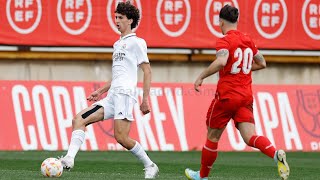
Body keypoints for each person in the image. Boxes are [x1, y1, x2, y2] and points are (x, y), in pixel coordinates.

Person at [184, 4, 289, 180]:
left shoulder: (224, 40)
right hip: (246, 96)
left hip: (227, 95)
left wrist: (201, 76)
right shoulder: (248, 40)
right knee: (250, 137)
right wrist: (243, 70)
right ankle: (275, 153)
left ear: (220, 22)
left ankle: (202, 176)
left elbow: (221, 61)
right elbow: (262, 63)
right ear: (237, 20)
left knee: (212, 136)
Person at [59, 2, 159, 179]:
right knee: (78, 120)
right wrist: (101, 91)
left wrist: (145, 99)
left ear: (130, 20)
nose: (117, 21)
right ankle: (69, 159)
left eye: (120, 18)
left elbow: (147, 70)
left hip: (125, 95)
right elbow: (118, 75)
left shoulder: (137, 42)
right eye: (116, 17)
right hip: (112, 96)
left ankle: (150, 165)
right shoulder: (117, 44)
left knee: (121, 137)